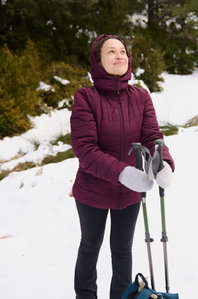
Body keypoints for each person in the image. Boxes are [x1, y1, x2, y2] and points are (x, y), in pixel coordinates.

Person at [70, 34, 175, 299]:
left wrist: (164, 163)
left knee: (122, 248)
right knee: (90, 245)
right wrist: (122, 172)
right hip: (93, 189)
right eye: (110, 52)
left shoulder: (140, 96)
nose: (119, 56)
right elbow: (85, 149)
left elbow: (152, 136)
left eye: (123, 52)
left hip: (130, 191)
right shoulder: (86, 98)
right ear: (98, 60)